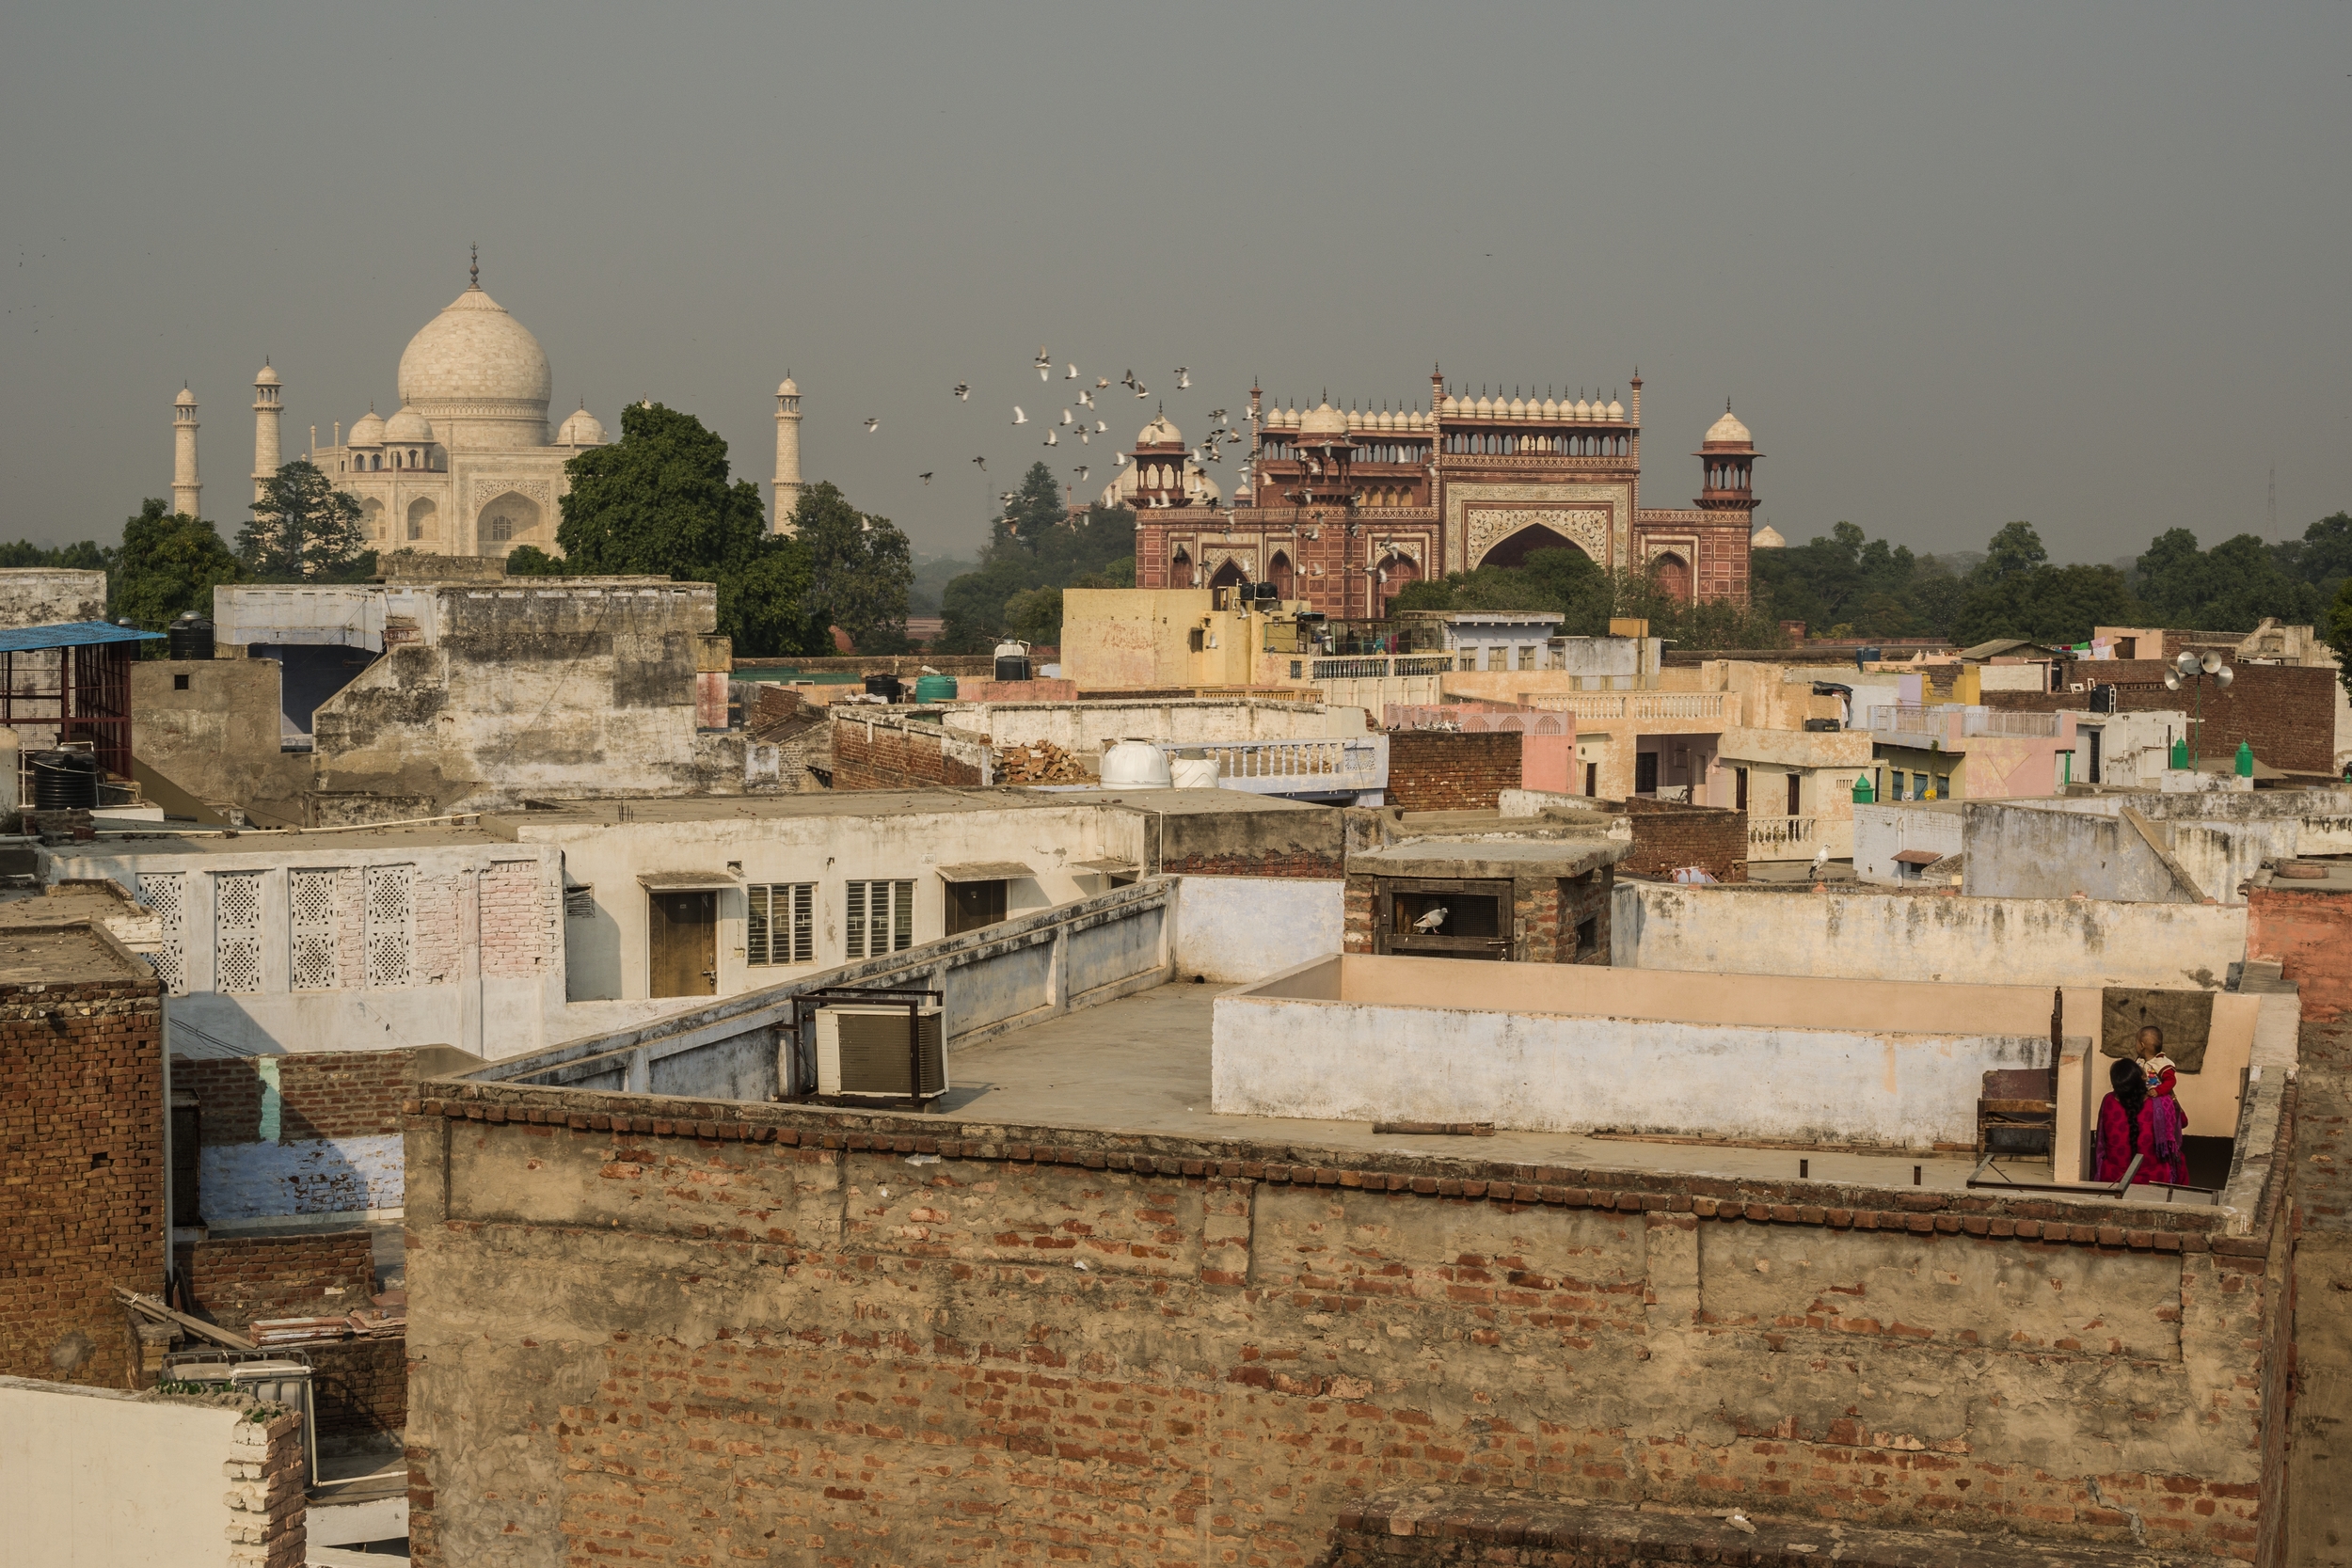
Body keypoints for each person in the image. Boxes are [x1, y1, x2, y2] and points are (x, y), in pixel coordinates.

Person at [2094, 1056, 2190, 1186]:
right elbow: (2183, 1122)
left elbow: (2101, 1142)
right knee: (2179, 1159)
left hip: (2113, 1177)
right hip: (2154, 1179)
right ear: (2143, 1077)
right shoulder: (2162, 1103)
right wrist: (2171, 1094)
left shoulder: (2109, 1101)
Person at [2137, 1025, 2178, 1101]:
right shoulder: (2140, 1060)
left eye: (2136, 1042)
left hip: (2158, 1098)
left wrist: (2158, 1091)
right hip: (2142, 1097)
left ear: (2142, 1046)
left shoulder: (2161, 1063)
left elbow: (2171, 1081)